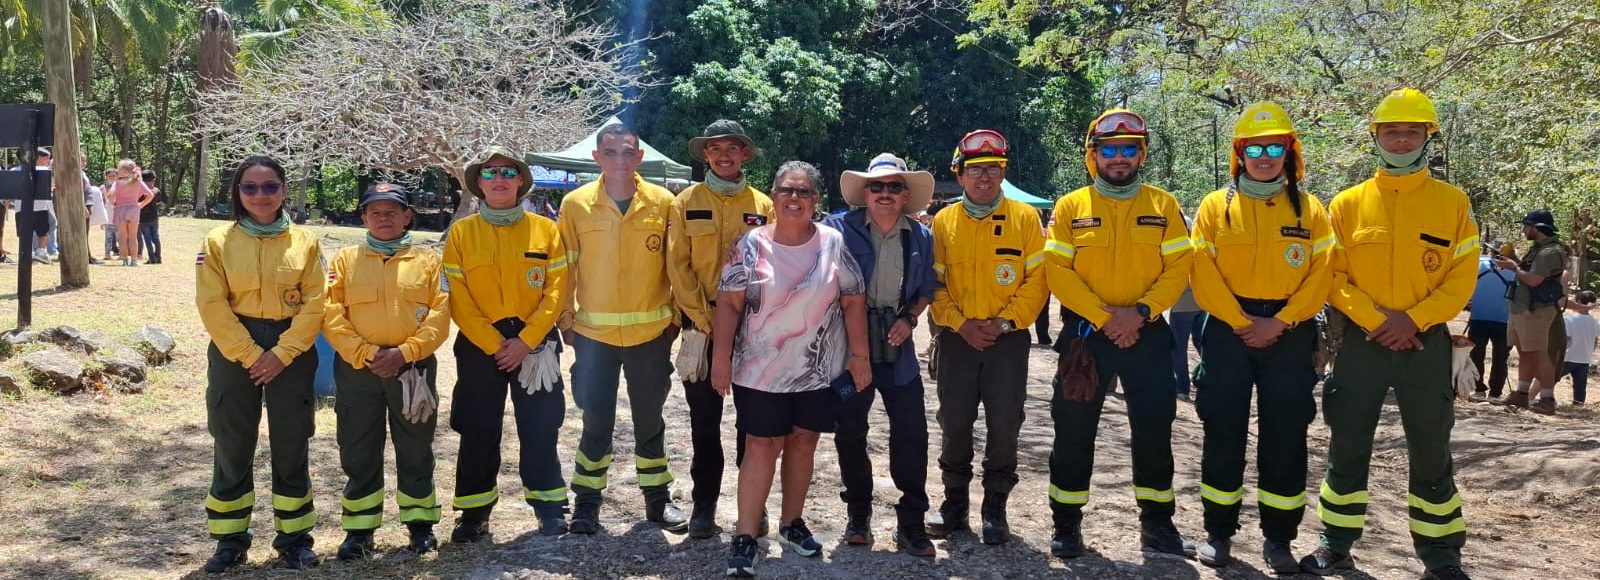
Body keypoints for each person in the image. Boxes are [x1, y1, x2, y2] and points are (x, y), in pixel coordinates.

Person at [1302, 88, 1477, 580]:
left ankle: (1442, 556)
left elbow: (1461, 277)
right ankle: (1335, 544)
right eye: (1392, 132)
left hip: (1426, 343)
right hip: (1363, 343)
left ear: (1428, 138)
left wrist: (1413, 319)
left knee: (1432, 449)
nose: (1402, 141)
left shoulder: (1453, 203)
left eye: (1412, 132)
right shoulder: (1347, 204)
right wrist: (1378, 320)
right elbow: (1332, 276)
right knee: (1347, 444)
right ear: (1376, 137)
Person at [1186, 102, 1333, 572]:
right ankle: (1218, 532)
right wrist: (1239, 320)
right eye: (1254, 149)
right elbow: (1201, 270)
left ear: (1289, 152)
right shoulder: (1215, 206)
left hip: (1290, 333)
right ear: (1240, 154)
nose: (1264, 157)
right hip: (1228, 331)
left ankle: (1279, 539)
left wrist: (1282, 321)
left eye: (1274, 148)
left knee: (1285, 437)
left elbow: (1322, 273)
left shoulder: (1311, 210)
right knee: (1222, 431)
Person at [1043, 109, 1196, 559]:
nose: (1119, 157)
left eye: (1130, 148)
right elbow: (1058, 270)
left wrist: (1141, 312)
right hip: (1086, 336)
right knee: (1073, 431)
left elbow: (1179, 267)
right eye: (1109, 149)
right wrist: (1104, 317)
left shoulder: (1163, 205)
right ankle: (1066, 524)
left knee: (1154, 431)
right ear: (1093, 156)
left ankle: (1158, 525)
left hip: (1147, 333)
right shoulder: (1070, 207)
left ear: (1142, 154)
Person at [713, 161, 870, 577]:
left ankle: (791, 523)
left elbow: (854, 300)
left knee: (803, 442)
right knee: (760, 446)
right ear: (774, 196)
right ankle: (745, 536)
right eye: (786, 190)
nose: (794, 198)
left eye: (804, 192)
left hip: (817, 369)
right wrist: (720, 358)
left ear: (816, 200)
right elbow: (728, 304)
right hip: (758, 370)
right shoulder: (750, 245)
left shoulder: (833, 243)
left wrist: (859, 356)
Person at [195, 155, 327, 572]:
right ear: (238, 192)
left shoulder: (306, 242)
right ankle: (230, 541)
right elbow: (212, 305)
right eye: (249, 187)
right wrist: (253, 355)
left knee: (292, 442)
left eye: (270, 186)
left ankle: (295, 540)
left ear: (284, 191)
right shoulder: (217, 241)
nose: (260, 195)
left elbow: (316, 303)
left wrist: (282, 353)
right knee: (232, 443)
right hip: (235, 347)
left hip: (292, 349)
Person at [557, 123, 687, 534]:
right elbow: (564, 267)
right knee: (596, 423)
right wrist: (566, 320)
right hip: (594, 339)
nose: (619, 159)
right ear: (596, 157)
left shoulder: (664, 202)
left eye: (627, 152)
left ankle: (657, 500)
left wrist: (675, 319)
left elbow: (676, 265)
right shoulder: (576, 204)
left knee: (650, 421)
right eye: (610, 152)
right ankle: (587, 503)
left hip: (651, 336)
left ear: (639, 156)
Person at [441, 146, 571, 541]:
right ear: (479, 184)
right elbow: (457, 295)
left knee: (541, 425)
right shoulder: (462, 233)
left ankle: (549, 506)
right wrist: (495, 343)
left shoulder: (546, 230)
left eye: (508, 172)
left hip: (536, 343)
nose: (499, 179)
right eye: (490, 173)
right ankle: (474, 513)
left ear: (521, 181)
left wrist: (526, 341)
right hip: (481, 344)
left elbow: (557, 291)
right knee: (477, 427)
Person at [926, 129, 1048, 546]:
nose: (985, 177)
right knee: (954, 421)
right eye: (975, 169)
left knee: (1005, 423)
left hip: (1007, 341)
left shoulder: (1024, 218)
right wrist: (959, 323)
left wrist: (1004, 323)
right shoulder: (943, 222)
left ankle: (995, 507)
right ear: (959, 175)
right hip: (957, 339)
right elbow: (935, 285)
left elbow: (1037, 281)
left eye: (993, 169)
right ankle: (954, 504)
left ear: (1003, 173)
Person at [322, 183, 451, 559]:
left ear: (407, 216)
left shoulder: (428, 262)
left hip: (413, 370)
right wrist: (365, 353)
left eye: (392, 212)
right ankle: (360, 530)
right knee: (358, 447)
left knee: (416, 448)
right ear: (364, 218)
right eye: (375, 212)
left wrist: (405, 353)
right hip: (358, 370)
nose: (383, 219)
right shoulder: (344, 260)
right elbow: (331, 313)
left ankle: (420, 525)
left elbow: (441, 314)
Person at [823, 153, 938, 556]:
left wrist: (910, 318)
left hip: (897, 347)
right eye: (877, 186)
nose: (885, 193)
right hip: (850, 346)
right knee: (850, 430)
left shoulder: (921, 236)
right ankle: (858, 516)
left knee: (912, 431)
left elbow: (927, 289)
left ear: (906, 194)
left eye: (894, 186)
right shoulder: (836, 229)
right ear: (865, 192)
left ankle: (912, 522)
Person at [665, 119, 774, 538]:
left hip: (753, 330)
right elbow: (677, 265)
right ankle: (704, 506)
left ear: (745, 154)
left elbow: (774, 264)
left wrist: (743, 320)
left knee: (753, 424)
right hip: (701, 328)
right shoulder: (685, 202)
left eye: (732, 148)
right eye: (715, 148)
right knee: (704, 424)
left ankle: (753, 505)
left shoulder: (763, 204)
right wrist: (708, 320)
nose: (724, 155)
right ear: (705, 155)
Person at [1498, 209, 1568, 415]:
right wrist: (1513, 259)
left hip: (1537, 311)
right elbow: (1529, 271)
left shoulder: (1550, 252)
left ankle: (1547, 399)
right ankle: (1521, 394)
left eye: (1527, 226)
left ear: (1537, 228)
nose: (1524, 230)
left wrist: (1513, 267)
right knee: (1525, 352)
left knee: (1540, 354)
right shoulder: (1538, 249)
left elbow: (1534, 280)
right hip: (1523, 308)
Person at [1467, 245, 1515, 401]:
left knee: (1476, 355)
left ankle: (1478, 390)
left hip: (1478, 317)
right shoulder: (1516, 271)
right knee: (1501, 358)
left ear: (1492, 252)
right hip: (1504, 320)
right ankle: (1495, 393)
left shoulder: (1479, 265)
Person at [107, 160, 155, 267]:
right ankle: (134, 260)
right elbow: (150, 195)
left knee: (123, 237)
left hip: (120, 210)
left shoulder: (117, 183)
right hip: (134, 210)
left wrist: (114, 203)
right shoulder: (138, 182)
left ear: (122, 171)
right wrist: (141, 204)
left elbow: (110, 196)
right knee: (133, 237)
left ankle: (124, 260)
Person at [1168, 284, 1204, 401]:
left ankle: (1182, 388)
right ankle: (1214, 380)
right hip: (1203, 302)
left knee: (1178, 348)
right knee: (1203, 345)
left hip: (1182, 304)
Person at [1562, 291, 1597, 405]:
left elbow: (1566, 339)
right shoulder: (1593, 321)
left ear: (1579, 302)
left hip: (1568, 357)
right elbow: (1595, 340)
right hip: (1584, 358)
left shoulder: (1569, 319)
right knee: (1580, 385)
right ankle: (1578, 403)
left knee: (1551, 378)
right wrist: (1590, 352)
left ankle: (1545, 397)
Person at [29, 148, 54, 264]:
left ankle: (27, 252)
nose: (48, 161)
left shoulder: (18, 169)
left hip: (21, 208)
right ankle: (40, 252)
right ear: (38, 158)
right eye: (47, 158)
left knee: (25, 232)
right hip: (40, 207)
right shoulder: (44, 170)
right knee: (43, 231)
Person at [138, 169, 166, 264]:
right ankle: (158, 257)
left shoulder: (140, 192)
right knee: (156, 238)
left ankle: (152, 258)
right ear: (153, 180)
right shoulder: (156, 191)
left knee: (147, 239)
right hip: (154, 217)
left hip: (143, 219)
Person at [83, 161, 107, 266]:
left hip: (87, 204)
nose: (83, 163)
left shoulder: (82, 173)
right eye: (81, 160)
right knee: (83, 233)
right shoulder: (76, 173)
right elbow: (78, 191)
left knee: (85, 233)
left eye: (84, 161)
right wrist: (83, 206)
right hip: (82, 205)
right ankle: (86, 257)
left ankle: (88, 256)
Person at [98, 168, 119, 261]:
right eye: (109, 176)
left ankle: (122, 253)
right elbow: (100, 202)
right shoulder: (102, 188)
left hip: (118, 214)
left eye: (114, 176)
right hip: (107, 214)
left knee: (120, 237)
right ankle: (107, 254)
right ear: (106, 177)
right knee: (108, 237)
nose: (112, 177)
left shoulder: (120, 186)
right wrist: (101, 219)